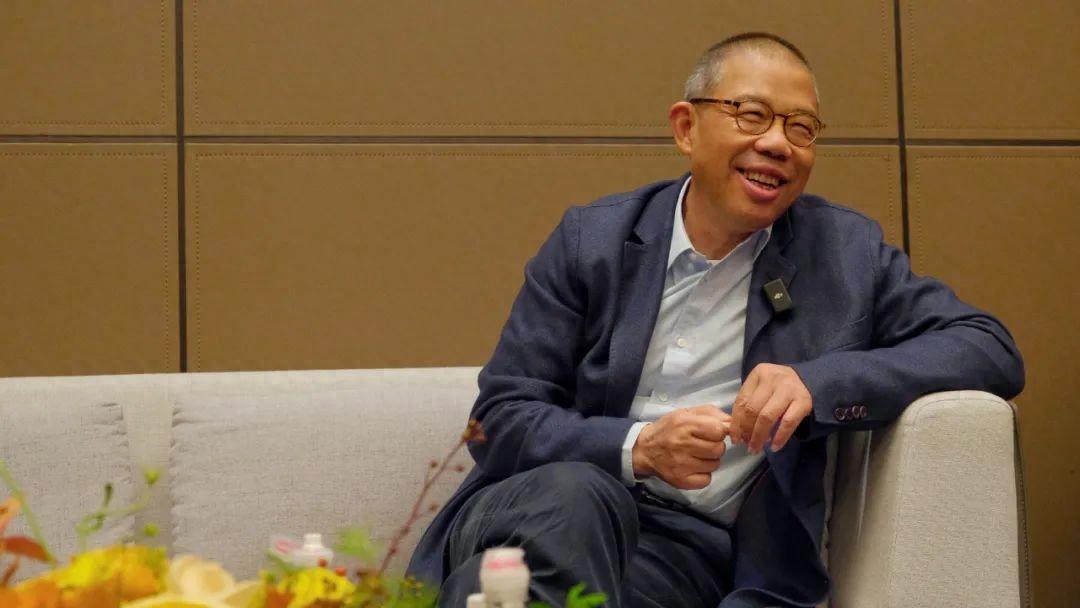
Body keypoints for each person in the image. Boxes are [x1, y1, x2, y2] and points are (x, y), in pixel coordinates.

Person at [407, 32, 1024, 608]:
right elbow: (500, 418)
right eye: (751, 115)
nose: (778, 143)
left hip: (677, 552)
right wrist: (639, 448)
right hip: (532, 506)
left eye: (801, 128)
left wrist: (816, 382)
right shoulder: (591, 242)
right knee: (578, 498)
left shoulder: (844, 256)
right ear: (686, 127)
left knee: (487, 588)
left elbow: (987, 347)